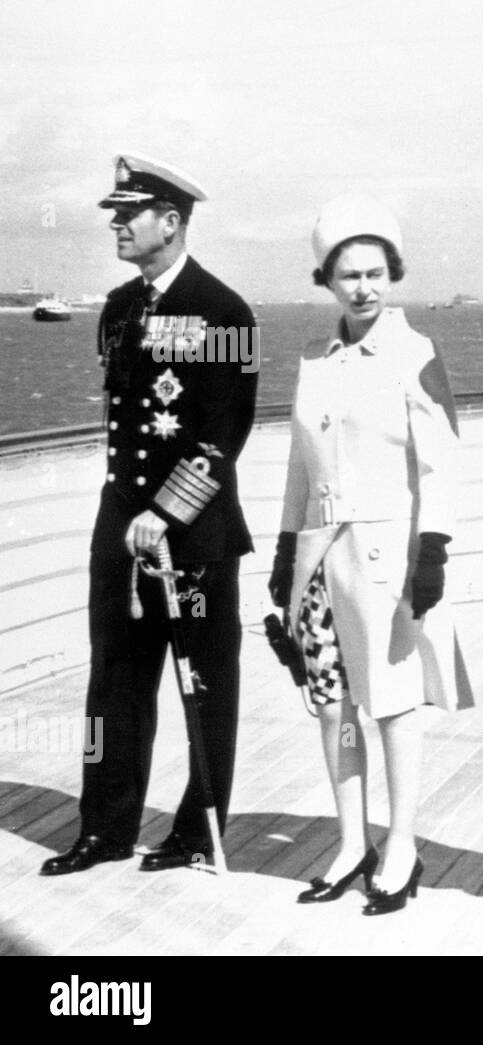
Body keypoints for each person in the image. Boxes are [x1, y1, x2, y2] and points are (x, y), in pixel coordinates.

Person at [40, 154, 258, 876]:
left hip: (191, 529)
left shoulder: (227, 312)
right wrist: (128, 513)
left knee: (202, 679)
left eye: (128, 213)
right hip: (120, 520)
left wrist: (166, 511)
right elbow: (121, 417)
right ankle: (104, 825)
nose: (115, 224)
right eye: (114, 212)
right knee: (114, 680)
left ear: (171, 221)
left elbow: (225, 430)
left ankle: (198, 830)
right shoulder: (118, 307)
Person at [268, 193, 472, 915]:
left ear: (393, 275)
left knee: (390, 707)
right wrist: (285, 552)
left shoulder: (414, 352)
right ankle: (351, 843)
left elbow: (440, 459)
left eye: (376, 273)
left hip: (388, 559)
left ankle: (402, 845)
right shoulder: (314, 361)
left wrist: (435, 547)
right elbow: (301, 469)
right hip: (321, 563)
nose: (363, 287)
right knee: (332, 708)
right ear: (326, 279)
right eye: (348, 274)